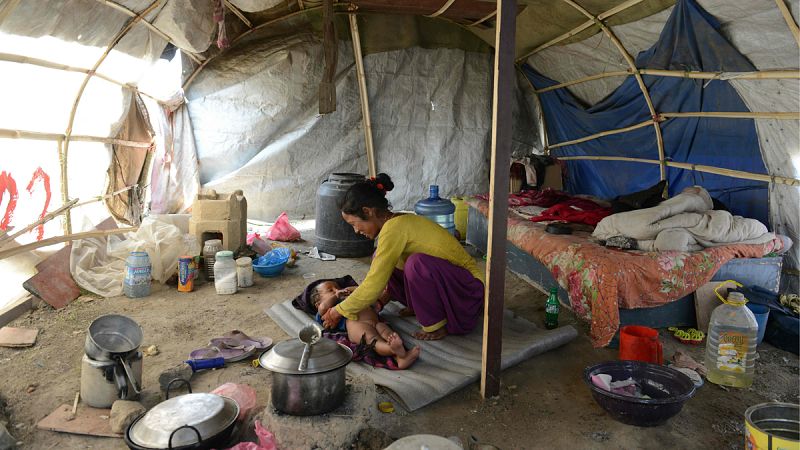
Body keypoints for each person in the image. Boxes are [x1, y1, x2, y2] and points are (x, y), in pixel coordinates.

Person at [321, 173, 485, 340]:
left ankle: (437, 325)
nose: (356, 230)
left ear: (367, 212)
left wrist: (338, 311)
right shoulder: (395, 222)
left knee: (416, 264)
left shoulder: (394, 228)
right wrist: (379, 301)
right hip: (452, 283)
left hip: (469, 292)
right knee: (382, 257)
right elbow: (380, 276)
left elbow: (373, 285)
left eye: (354, 224)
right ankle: (419, 306)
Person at [310, 279, 421, 369]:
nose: (337, 290)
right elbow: (323, 307)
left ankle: (400, 357)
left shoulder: (349, 297)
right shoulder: (325, 312)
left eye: (337, 287)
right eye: (330, 290)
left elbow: (365, 292)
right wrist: (336, 296)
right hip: (357, 326)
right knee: (373, 341)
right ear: (317, 303)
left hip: (377, 323)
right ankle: (391, 349)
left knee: (389, 335)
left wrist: (351, 289)